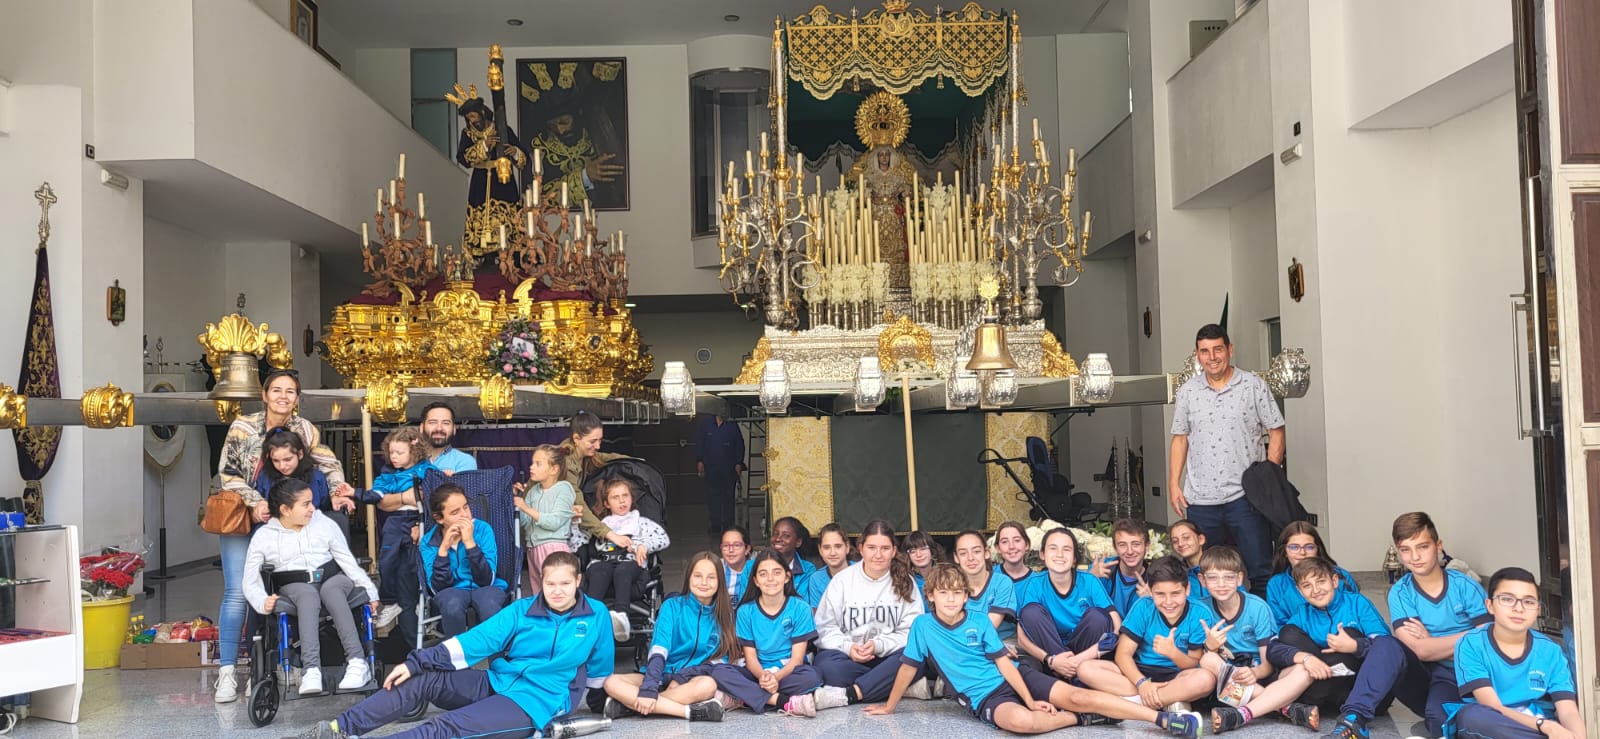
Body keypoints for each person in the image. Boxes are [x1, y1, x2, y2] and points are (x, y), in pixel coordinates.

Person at [865, 563, 1206, 737]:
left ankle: (1163, 719)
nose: (951, 599)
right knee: (1022, 723)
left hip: (1016, 677)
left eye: (958, 593)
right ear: (931, 596)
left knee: (1078, 695)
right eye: (944, 593)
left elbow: (1005, 665)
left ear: (967, 595)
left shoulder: (980, 621)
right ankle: (1082, 719)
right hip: (984, 697)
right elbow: (908, 667)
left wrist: (1029, 697)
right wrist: (890, 706)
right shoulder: (923, 627)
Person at [298, 552, 613, 739]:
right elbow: (477, 640)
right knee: (424, 679)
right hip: (499, 681)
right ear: (540, 582)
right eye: (550, 583)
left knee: (445, 727)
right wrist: (415, 662)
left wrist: (599, 703)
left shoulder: (596, 614)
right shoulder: (523, 609)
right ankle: (337, 730)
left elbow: (600, 664)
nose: (557, 591)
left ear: (578, 581)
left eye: (565, 584)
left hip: (538, 701)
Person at [214, 368, 349, 704]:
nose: (283, 397)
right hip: (242, 516)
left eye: (290, 391)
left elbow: (328, 464)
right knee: (238, 592)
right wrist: (255, 501)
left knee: (283, 589)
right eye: (277, 390)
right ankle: (227, 672)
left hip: (283, 523)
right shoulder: (243, 427)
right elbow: (228, 474)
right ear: (264, 394)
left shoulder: (305, 429)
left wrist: (337, 491)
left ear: (297, 397)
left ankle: (265, 669)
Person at [1168, 323, 1285, 594]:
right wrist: (1174, 483)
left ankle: (1261, 620)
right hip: (1201, 499)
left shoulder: (1253, 386)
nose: (1212, 357)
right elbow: (1180, 438)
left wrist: (1270, 476)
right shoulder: (1188, 392)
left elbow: (1276, 430)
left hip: (1246, 497)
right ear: (1197, 355)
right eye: (1205, 351)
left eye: (1218, 349)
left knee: (1260, 569)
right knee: (1204, 572)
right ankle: (1210, 620)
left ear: (1230, 350)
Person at [1354, 511, 1490, 739]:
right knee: (1386, 644)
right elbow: (1420, 650)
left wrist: (1432, 642)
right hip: (1430, 678)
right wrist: (1469, 636)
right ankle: (1353, 720)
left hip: (1474, 674)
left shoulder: (1466, 587)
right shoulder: (1400, 592)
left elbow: (1488, 641)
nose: (1415, 557)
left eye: (1423, 547)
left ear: (1438, 546)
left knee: (1445, 721)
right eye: (1405, 550)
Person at [243, 478, 379, 695]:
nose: (312, 508)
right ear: (285, 510)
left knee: (331, 590)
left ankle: (357, 662)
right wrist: (262, 601)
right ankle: (311, 670)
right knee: (307, 594)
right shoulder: (264, 536)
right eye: (305, 504)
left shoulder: (324, 523)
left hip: (333, 578)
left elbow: (347, 561)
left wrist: (370, 592)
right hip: (294, 585)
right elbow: (250, 580)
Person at [1447, 567, 1584, 739]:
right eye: (1507, 599)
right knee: (1473, 716)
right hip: (1495, 725)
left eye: (1529, 602)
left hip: (1535, 727)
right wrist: (1545, 726)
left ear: (1538, 610)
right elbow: (1493, 707)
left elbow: (1568, 711)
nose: (1519, 608)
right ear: (1490, 605)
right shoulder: (1471, 644)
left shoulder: (1551, 651)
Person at [1196, 547, 1320, 734]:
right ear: (1202, 580)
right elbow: (1196, 661)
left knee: (1304, 670)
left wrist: (1254, 673)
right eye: (1213, 578)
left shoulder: (1257, 607)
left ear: (1239, 579)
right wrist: (1209, 647)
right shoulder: (1200, 609)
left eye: (1228, 577)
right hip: (1226, 681)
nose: (1221, 584)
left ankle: (1245, 712)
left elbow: (1268, 664)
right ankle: (1284, 708)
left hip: (1259, 674)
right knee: (1207, 659)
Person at [601, 551, 734, 723]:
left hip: (690, 681)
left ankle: (631, 707)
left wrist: (681, 677)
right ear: (689, 577)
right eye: (698, 576)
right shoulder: (672, 606)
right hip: (659, 674)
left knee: (708, 685)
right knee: (610, 682)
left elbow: (720, 661)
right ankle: (688, 712)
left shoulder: (725, 614)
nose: (703, 582)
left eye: (711, 577)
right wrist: (649, 687)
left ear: (720, 581)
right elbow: (659, 649)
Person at [1262, 557, 1391, 729]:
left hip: (1361, 691)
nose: (1316, 590)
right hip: (1325, 680)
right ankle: (1300, 698)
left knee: (1350, 636)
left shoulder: (1357, 603)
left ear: (1335, 581)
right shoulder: (1303, 612)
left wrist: (1354, 646)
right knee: (1288, 633)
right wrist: (1305, 658)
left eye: (1321, 581)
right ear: (1300, 591)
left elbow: (1387, 647)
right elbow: (1273, 648)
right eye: (1307, 586)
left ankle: (1286, 701)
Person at [1078, 555, 1218, 709]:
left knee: (1205, 679)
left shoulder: (1200, 613)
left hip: (1176, 676)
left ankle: (1135, 704)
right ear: (1150, 591)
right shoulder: (1143, 606)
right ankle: (1166, 701)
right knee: (1086, 669)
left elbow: (1193, 663)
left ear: (1187, 589)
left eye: (1175, 593)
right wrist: (1142, 683)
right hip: (1140, 672)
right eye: (1160, 594)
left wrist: (1173, 653)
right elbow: (1123, 654)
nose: (1169, 602)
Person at [812, 519, 926, 707]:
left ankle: (851, 694)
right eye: (872, 548)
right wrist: (849, 647)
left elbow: (912, 632)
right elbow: (824, 628)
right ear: (861, 548)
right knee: (825, 667)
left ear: (894, 551)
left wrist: (879, 645)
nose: (878, 555)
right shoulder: (842, 581)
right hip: (850, 657)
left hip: (888, 657)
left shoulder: (906, 582)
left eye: (885, 548)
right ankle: (899, 686)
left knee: (915, 660)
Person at [711, 550, 825, 716]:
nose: (770, 579)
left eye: (777, 572)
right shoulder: (745, 611)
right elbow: (750, 658)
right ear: (756, 581)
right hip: (756, 672)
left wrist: (775, 678)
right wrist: (763, 677)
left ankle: (743, 698)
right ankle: (783, 701)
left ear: (787, 577)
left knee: (813, 676)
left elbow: (797, 659)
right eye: (763, 574)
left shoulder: (800, 608)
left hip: (788, 672)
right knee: (719, 672)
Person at [1015, 528, 1120, 680]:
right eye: (1053, 548)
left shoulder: (1089, 581)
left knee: (1097, 616)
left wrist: (1077, 660)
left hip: (1085, 657)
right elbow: (1021, 638)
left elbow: (1117, 627)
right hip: (1052, 657)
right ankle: (1065, 675)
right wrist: (1051, 660)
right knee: (1030, 612)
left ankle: (1073, 674)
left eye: (1066, 549)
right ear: (1042, 554)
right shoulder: (1035, 584)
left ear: (1075, 559)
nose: (1059, 554)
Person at [364, 427, 439, 637]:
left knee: (414, 566)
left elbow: (433, 500)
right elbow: (380, 500)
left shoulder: (428, 471)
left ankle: (422, 603)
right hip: (396, 522)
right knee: (387, 561)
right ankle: (391, 602)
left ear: (414, 451)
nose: (394, 457)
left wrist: (423, 525)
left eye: (399, 452)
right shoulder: (389, 472)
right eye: (391, 452)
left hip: (420, 522)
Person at [576, 478, 670, 640]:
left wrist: (645, 546)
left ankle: (622, 617)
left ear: (632, 498)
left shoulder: (641, 523)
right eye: (616, 497)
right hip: (602, 566)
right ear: (606, 504)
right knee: (600, 568)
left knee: (623, 569)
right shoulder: (599, 525)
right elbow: (576, 541)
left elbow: (663, 539)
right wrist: (574, 522)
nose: (622, 501)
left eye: (625, 496)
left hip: (630, 567)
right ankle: (589, 617)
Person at [420, 483, 507, 637]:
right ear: (439, 518)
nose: (465, 515)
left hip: (487, 587)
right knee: (451, 604)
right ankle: (458, 651)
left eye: (466, 507)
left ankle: (496, 652)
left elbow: (487, 580)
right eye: (455, 512)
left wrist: (470, 543)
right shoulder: (429, 542)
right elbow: (438, 588)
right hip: (451, 591)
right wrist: (443, 549)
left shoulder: (483, 529)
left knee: (489, 604)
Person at [453, 91, 527, 255]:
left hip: (503, 182)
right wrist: (484, 146)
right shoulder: (468, 134)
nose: (472, 121)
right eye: (468, 118)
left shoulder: (502, 129)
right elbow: (463, 158)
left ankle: (512, 254)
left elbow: (524, 158)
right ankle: (482, 256)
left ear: (482, 112)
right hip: (480, 184)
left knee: (507, 219)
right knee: (480, 221)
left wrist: (515, 152)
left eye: (473, 116)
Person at [252, 428, 354, 540]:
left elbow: (325, 510)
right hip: (275, 536)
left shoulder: (316, 477)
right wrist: (259, 512)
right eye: (276, 460)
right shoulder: (265, 477)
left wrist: (336, 497)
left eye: (287, 459)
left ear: (300, 454)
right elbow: (258, 504)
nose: (282, 466)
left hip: (312, 535)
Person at [560, 410, 637, 556]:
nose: (598, 446)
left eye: (600, 440)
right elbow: (578, 504)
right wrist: (609, 534)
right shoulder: (566, 463)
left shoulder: (584, 455)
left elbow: (606, 457)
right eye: (592, 441)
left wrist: (636, 462)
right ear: (576, 438)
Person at [1267, 521, 1361, 627]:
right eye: (1294, 547)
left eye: (1309, 547)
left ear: (1318, 550)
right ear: (1284, 551)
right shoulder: (1276, 584)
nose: (1302, 553)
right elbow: (1280, 626)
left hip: (1341, 632)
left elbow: (1358, 612)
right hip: (1297, 635)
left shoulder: (1340, 576)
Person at [513, 444, 574, 597]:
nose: (531, 467)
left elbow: (554, 522)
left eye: (538, 464)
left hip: (553, 548)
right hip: (533, 549)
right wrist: (517, 500)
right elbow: (524, 523)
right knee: (538, 594)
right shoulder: (533, 491)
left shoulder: (564, 489)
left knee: (556, 593)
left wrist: (526, 507)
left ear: (554, 469)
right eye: (532, 463)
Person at [953, 530, 1017, 635]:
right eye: (963, 553)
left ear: (986, 553)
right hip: (962, 640)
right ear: (956, 557)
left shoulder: (1001, 582)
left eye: (976, 551)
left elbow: (989, 628)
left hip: (1001, 639)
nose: (970, 558)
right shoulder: (951, 587)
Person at [1092, 518, 1152, 616]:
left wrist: (1151, 604)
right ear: (1115, 547)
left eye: (1136, 544)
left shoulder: (1155, 579)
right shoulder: (1100, 568)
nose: (1130, 551)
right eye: (1122, 545)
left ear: (1147, 546)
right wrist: (1090, 579)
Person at [697, 414, 744, 534]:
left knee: (728, 497)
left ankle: (729, 524)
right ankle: (715, 524)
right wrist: (700, 460)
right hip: (711, 467)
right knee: (713, 496)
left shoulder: (732, 425)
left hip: (729, 468)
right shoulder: (706, 425)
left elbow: (739, 444)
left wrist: (739, 463)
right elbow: (700, 443)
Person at [418, 402, 477, 474]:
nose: (439, 428)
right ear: (421, 427)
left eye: (446, 423)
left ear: (454, 429)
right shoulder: (409, 459)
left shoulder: (464, 461)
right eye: (433, 422)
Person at [805, 523, 853, 609]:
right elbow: (818, 614)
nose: (832, 553)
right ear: (820, 550)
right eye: (826, 547)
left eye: (838, 546)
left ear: (847, 547)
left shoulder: (862, 571)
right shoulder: (816, 579)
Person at [1169, 519, 1211, 606]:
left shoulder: (1220, 566)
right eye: (1175, 541)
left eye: (1186, 538)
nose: (1180, 544)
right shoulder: (1176, 574)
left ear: (1201, 539)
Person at [770, 516, 816, 588]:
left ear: (798, 542)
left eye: (786, 536)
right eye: (775, 534)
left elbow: (802, 595)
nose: (778, 539)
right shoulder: (753, 566)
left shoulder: (808, 569)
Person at [719, 525, 755, 604]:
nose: (731, 550)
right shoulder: (716, 568)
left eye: (736, 545)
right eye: (726, 545)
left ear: (747, 549)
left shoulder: (756, 568)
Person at [992, 520, 1035, 584]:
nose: (1011, 546)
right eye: (1004, 542)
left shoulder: (1037, 581)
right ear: (998, 548)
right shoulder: (988, 576)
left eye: (1017, 540)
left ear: (1027, 544)